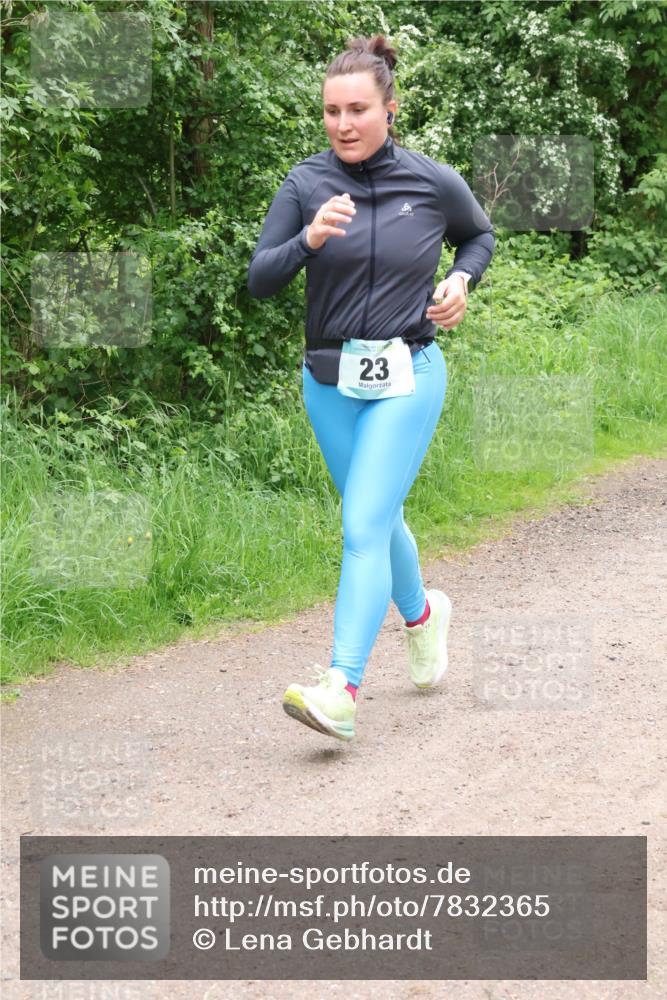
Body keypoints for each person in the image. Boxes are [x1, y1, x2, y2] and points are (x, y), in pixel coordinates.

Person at [247, 34, 494, 742]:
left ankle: (341, 687)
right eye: (331, 111)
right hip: (327, 381)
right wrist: (308, 243)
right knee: (377, 517)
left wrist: (460, 279)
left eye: (357, 109)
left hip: (407, 373)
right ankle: (421, 614)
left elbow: (478, 236)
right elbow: (260, 280)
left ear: (389, 107)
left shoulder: (431, 181)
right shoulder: (304, 184)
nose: (343, 124)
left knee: (360, 525)